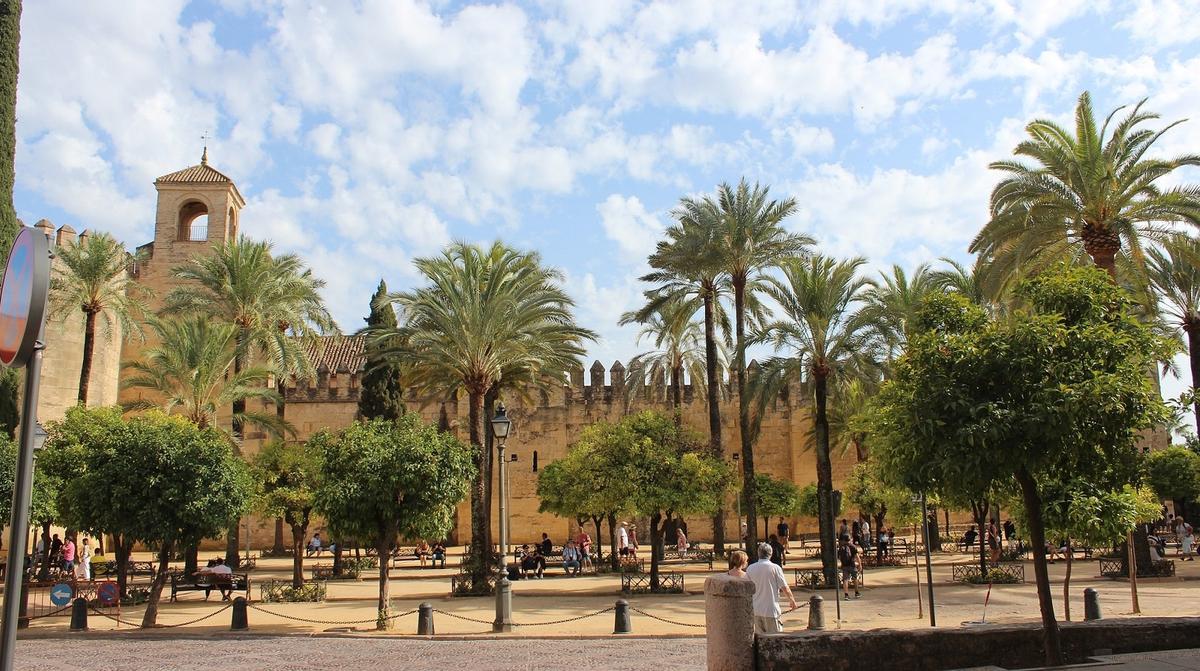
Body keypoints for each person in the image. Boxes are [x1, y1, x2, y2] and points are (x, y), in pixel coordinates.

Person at [746, 542, 796, 634]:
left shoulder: (750, 568)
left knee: (759, 641)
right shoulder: (775, 568)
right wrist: (791, 600)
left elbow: (747, 589)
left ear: (758, 553)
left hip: (756, 610)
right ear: (771, 554)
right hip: (771, 610)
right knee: (775, 639)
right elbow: (784, 587)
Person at [838, 535, 861, 600]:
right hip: (852, 565)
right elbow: (857, 557)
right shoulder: (853, 546)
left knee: (845, 580)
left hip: (844, 566)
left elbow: (839, 557)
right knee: (855, 578)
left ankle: (846, 595)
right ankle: (856, 593)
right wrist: (860, 564)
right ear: (850, 539)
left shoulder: (841, 547)